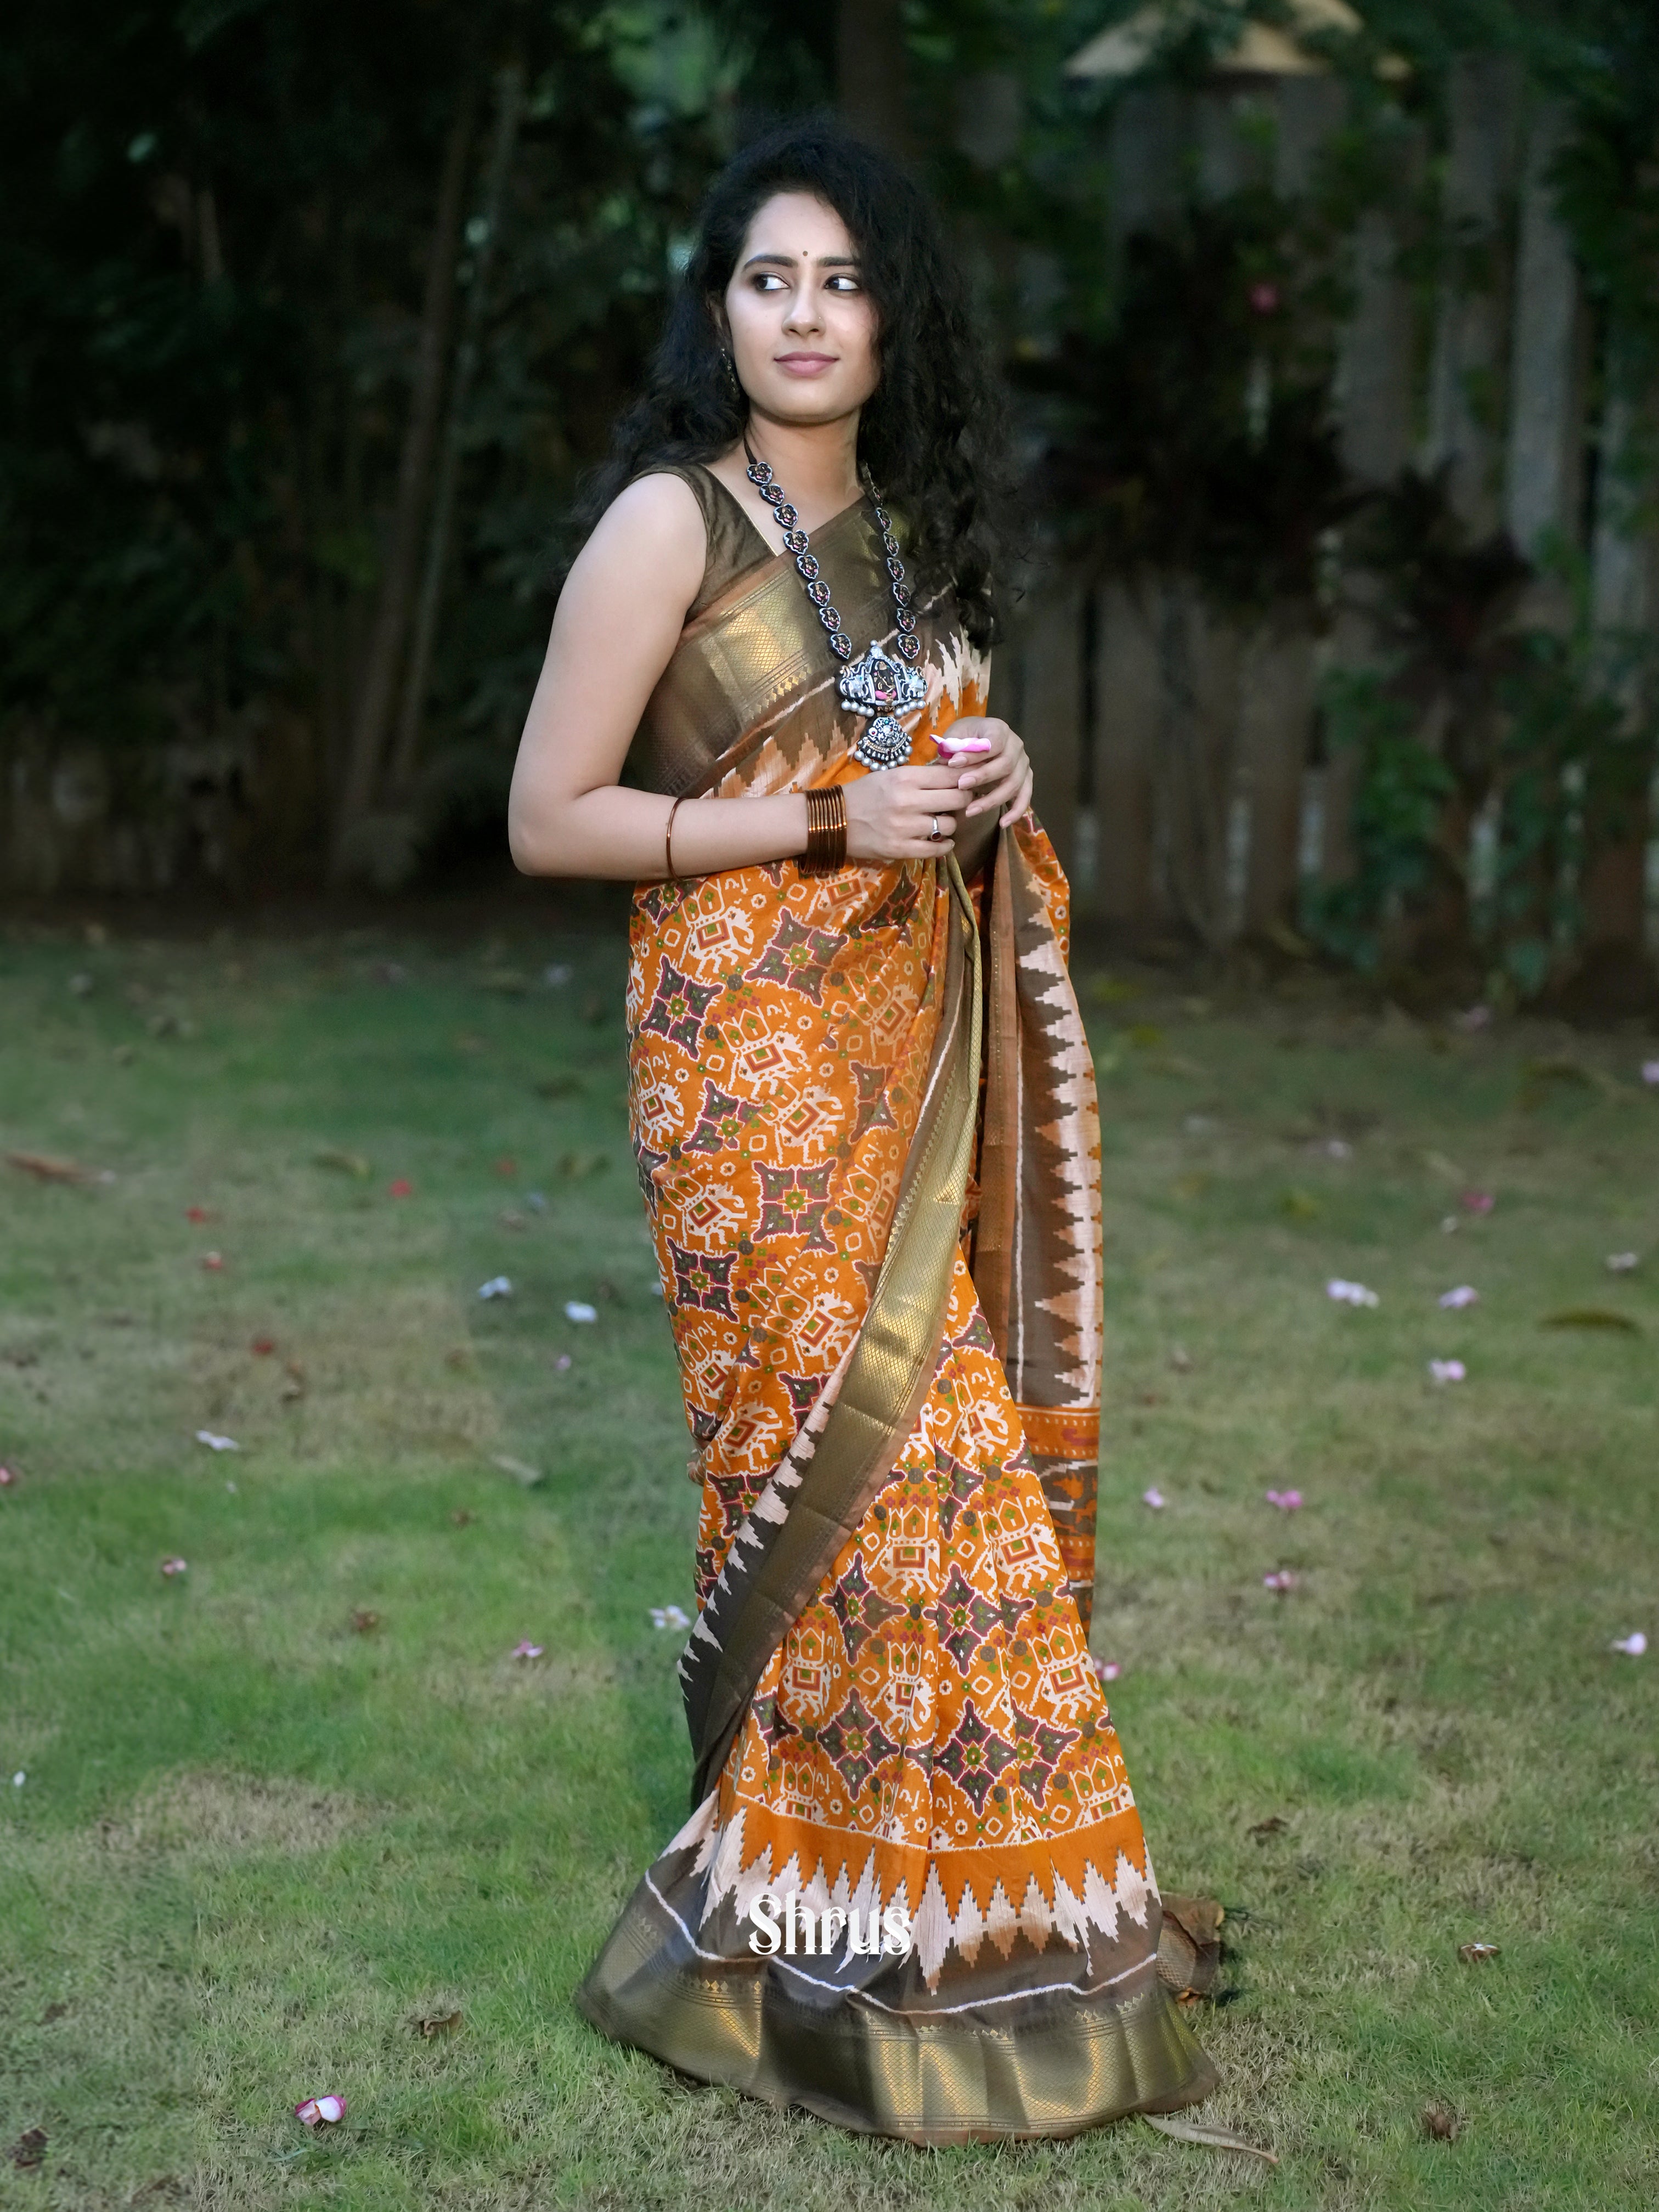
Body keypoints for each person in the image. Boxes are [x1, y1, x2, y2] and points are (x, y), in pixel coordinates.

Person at [507, 117, 1216, 2146]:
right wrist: (826, 814)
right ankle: (829, 1937)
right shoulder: (669, 528)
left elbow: (926, 772)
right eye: (766, 279)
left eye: (841, 281)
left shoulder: (914, 537)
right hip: (744, 1070)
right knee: (890, 1474)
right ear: (717, 306)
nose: (804, 316)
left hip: (902, 1052)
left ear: (895, 318)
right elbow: (553, 819)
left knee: (930, 1464)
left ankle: (922, 1921)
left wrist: (984, 781)